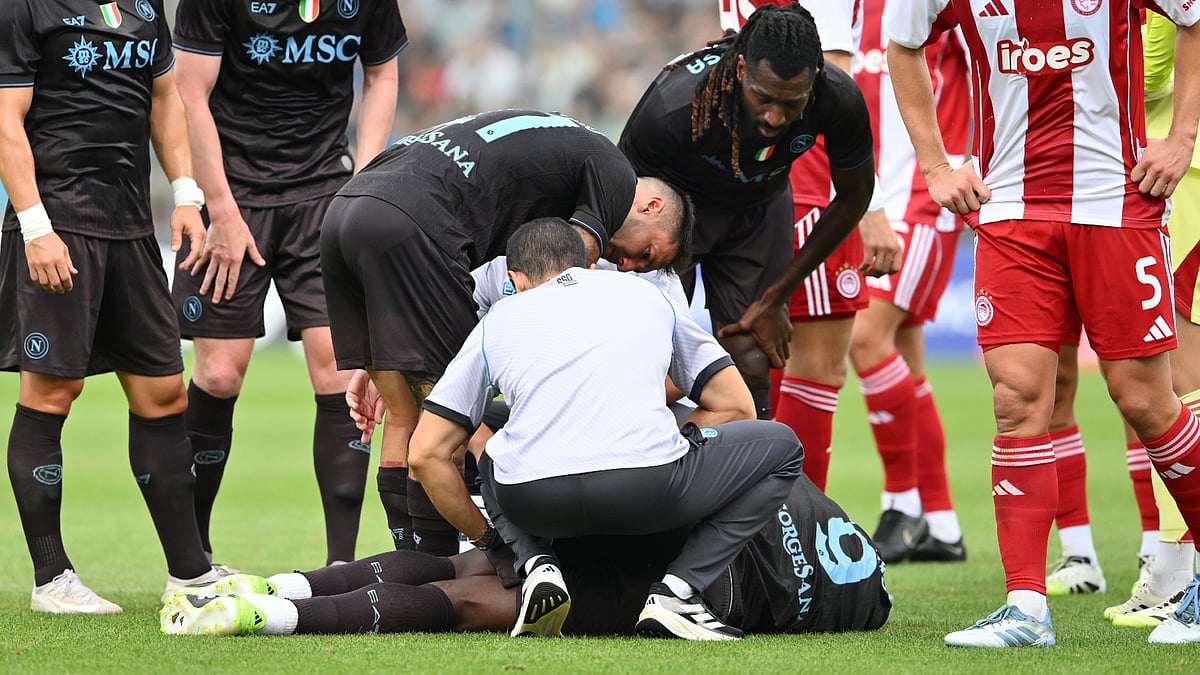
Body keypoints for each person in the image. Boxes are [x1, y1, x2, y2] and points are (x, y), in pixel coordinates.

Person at [887, 0, 1200, 648]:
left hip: (1117, 205)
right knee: (1017, 399)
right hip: (1011, 213)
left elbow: (1194, 18)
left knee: (1145, 400)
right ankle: (1026, 606)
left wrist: (1181, 138)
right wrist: (936, 165)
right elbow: (903, 44)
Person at [402, 217, 802, 641]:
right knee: (784, 446)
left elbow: (425, 455)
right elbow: (737, 405)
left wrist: (492, 543)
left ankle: (537, 565)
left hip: (534, 502)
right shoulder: (644, 291)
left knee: (492, 449)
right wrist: (675, 442)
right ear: (591, 266)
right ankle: (679, 592)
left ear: (515, 282)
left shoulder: (498, 318)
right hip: (648, 490)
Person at [322, 109, 694, 557]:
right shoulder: (616, 174)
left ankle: (410, 561)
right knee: (451, 424)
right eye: (646, 253)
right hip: (413, 223)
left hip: (347, 208)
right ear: (651, 207)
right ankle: (448, 565)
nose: (629, 265)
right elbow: (565, 281)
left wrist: (395, 345)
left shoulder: (558, 143)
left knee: (403, 413)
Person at [0, 0, 223, 613]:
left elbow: (165, 98)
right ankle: (52, 579)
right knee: (51, 393)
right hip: (57, 220)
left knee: (164, 393)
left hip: (130, 225)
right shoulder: (26, 6)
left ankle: (191, 576)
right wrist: (35, 227)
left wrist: (185, 193)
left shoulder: (146, 9)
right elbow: (6, 118)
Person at [169, 0, 408, 567]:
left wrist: (362, 181)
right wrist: (219, 207)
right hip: (231, 193)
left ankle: (340, 566)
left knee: (340, 371)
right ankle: (194, 564)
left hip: (323, 194)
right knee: (219, 373)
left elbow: (382, 74)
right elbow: (189, 93)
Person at [159, 468, 890, 637]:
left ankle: (268, 590)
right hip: (713, 572)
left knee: (476, 567)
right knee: (482, 598)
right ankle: (260, 612)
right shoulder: (859, 590)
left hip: (655, 504)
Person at [620, 2, 890, 433]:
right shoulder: (672, 104)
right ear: (742, 69)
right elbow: (624, 195)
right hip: (677, 210)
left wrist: (778, 295)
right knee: (652, 351)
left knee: (750, 348)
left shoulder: (838, 97)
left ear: (815, 81)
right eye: (763, 97)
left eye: (792, 103)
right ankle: (643, 457)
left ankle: (751, 470)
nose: (774, 117)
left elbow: (855, 195)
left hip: (758, 210)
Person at [722, 0, 903, 493]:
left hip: (748, 188)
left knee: (762, 352)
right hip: (811, 188)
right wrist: (870, 207)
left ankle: (757, 520)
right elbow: (833, 88)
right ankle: (796, 524)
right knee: (817, 367)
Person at [844, 0, 971, 563]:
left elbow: (994, 65)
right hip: (869, 203)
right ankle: (943, 526)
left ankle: (902, 504)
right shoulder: (846, 11)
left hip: (923, 198)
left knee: (865, 338)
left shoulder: (937, 6)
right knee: (906, 361)